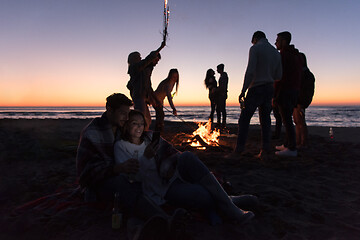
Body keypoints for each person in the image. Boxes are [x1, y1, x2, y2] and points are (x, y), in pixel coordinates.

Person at [114, 110, 255, 226]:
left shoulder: (150, 137)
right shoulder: (121, 146)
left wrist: (168, 163)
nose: (139, 127)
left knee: (186, 156)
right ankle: (229, 200)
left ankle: (230, 208)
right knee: (203, 195)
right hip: (162, 190)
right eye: (134, 124)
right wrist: (146, 157)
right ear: (126, 126)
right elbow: (132, 178)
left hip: (174, 173)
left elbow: (172, 152)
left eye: (141, 123)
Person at [75, 93, 184, 240]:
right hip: (99, 184)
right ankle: (165, 220)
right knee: (124, 185)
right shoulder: (92, 132)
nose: (126, 118)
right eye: (122, 113)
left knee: (137, 183)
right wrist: (117, 168)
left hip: (125, 176)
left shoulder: (121, 130)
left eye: (128, 114)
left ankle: (142, 227)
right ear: (109, 110)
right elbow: (86, 174)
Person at [230, 31, 282, 160]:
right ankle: (265, 150)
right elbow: (279, 75)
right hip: (269, 87)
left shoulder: (255, 48)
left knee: (244, 119)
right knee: (265, 120)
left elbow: (250, 71)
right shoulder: (276, 53)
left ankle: (239, 150)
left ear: (255, 38)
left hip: (256, 87)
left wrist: (243, 90)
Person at [274, 31, 303, 157]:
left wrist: (274, 94)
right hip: (294, 90)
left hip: (286, 90)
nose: (276, 43)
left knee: (286, 120)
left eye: (278, 40)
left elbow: (280, 76)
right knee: (287, 119)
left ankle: (291, 148)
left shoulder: (284, 55)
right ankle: (287, 144)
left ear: (284, 41)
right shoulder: (296, 55)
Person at [127, 41, 166, 130]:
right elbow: (148, 59)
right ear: (133, 59)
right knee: (142, 118)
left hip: (144, 96)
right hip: (138, 96)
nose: (140, 58)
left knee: (148, 119)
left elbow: (148, 86)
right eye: (139, 57)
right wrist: (160, 47)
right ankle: (140, 135)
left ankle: (146, 134)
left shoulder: (144, 69)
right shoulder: (135, 68)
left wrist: (155, 100)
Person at [293, 52, 315, 148]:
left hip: (300, 101)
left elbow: (307, 91)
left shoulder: (306, 75)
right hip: (298, 100)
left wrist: (302, 102)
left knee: (300, 122)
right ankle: (299, 141)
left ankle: (303, 142)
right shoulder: (303, 74)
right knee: (297, 122)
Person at [216, 64, 229, 129]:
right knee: (219, 109)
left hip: (222, 94)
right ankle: (220, 123)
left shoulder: (224, 76)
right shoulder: (223, 76)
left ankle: (222, 123)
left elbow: (223, 86)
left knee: (221, 109)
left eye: (217, 69)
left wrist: (216, 89)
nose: (216, 70)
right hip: (221, 94)